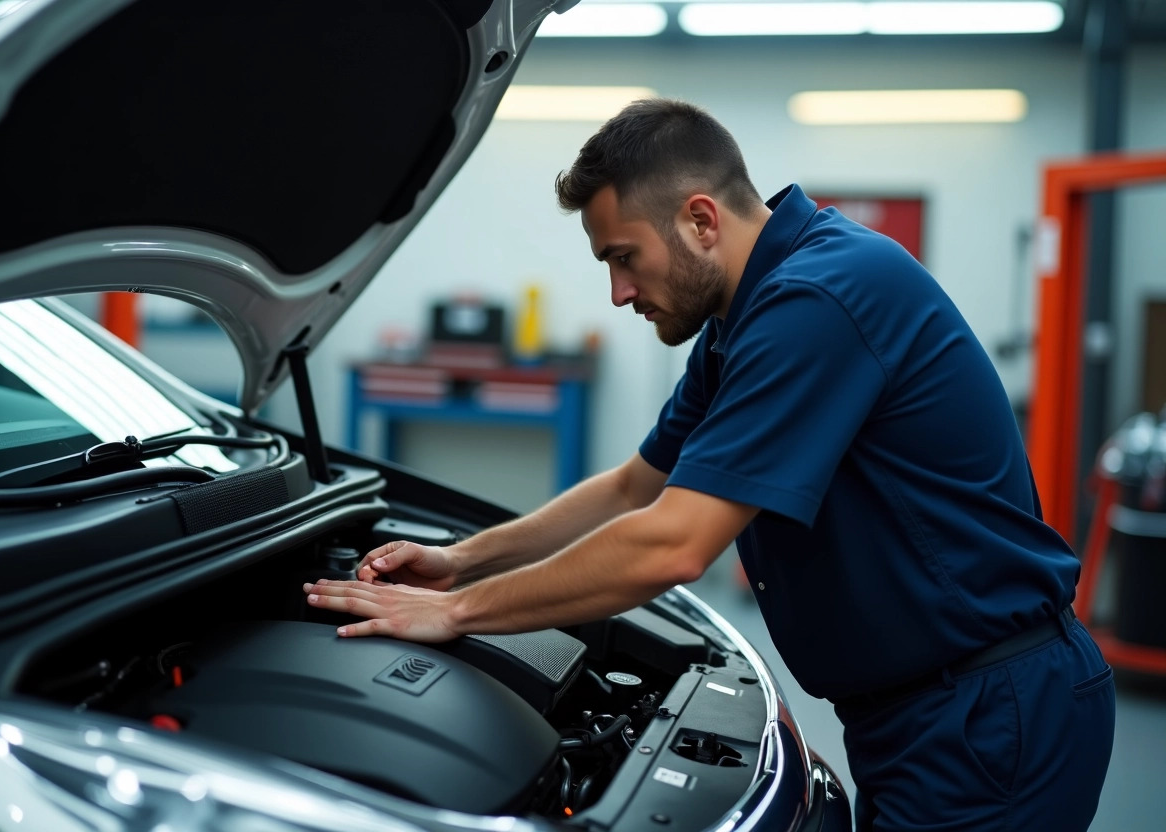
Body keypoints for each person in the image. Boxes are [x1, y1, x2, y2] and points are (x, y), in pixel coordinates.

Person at [303, 98, 1115, 831]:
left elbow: (672, 543)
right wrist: (458, 558)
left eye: (624, 257)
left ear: (699, 220)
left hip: (988, 714)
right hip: (922, 713)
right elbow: (635, 485)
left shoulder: (817, 299)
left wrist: (460, 612)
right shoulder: (743, 317)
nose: (620, 293)